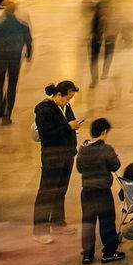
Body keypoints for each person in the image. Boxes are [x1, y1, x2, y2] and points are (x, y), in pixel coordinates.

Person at [33, 79, 81, 239]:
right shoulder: (45, 111)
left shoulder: (65, 107)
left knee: (60, 191)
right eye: (67, 98)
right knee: (47, 192)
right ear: (58, 94)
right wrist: (68, 127)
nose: (68, 101)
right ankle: (40, 230)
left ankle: (58, 222)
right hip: (53, 156)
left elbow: (70, 122)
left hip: (67, 154)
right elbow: (47, 136)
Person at [77, 116, 123, 264]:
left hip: (87, 191)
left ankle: (87, 254)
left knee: (88, 222)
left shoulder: (82, 149)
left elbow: (79, 168)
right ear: (104, 132)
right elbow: (115, 166)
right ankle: (109, 252)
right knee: (107, 221)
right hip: (103, 191)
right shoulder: (106, 149)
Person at [0, 0, 32, 121]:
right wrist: (28, 54)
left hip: (0, 58)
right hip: (15, 58)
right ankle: (9, 111)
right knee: (12, 84)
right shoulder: (22, 25)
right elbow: (28, 41)